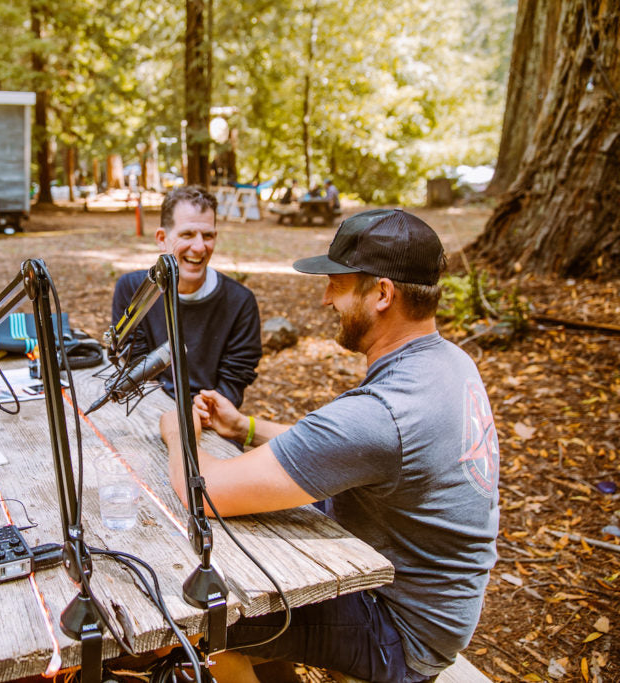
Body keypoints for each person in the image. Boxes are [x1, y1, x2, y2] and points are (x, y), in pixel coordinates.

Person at [158, 208, 500, 682]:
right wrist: (243, 428)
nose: (324, 298)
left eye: (337, 283)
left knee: (204, 625)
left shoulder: (384, 412)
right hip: (435, 602)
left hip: (401, 630)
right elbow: (333, 448)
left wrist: (179, 434)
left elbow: (204, 490)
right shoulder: (448, 362)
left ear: (383, 293)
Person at [111, 185, 262, 408]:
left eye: (208, 235)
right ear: (162, 238)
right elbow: (137, 369)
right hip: (150, 410)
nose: (200, 247)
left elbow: (234, 381)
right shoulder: (133, 290)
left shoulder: (241, 302)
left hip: (212, 419)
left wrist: (201, 411)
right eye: (187, 234)